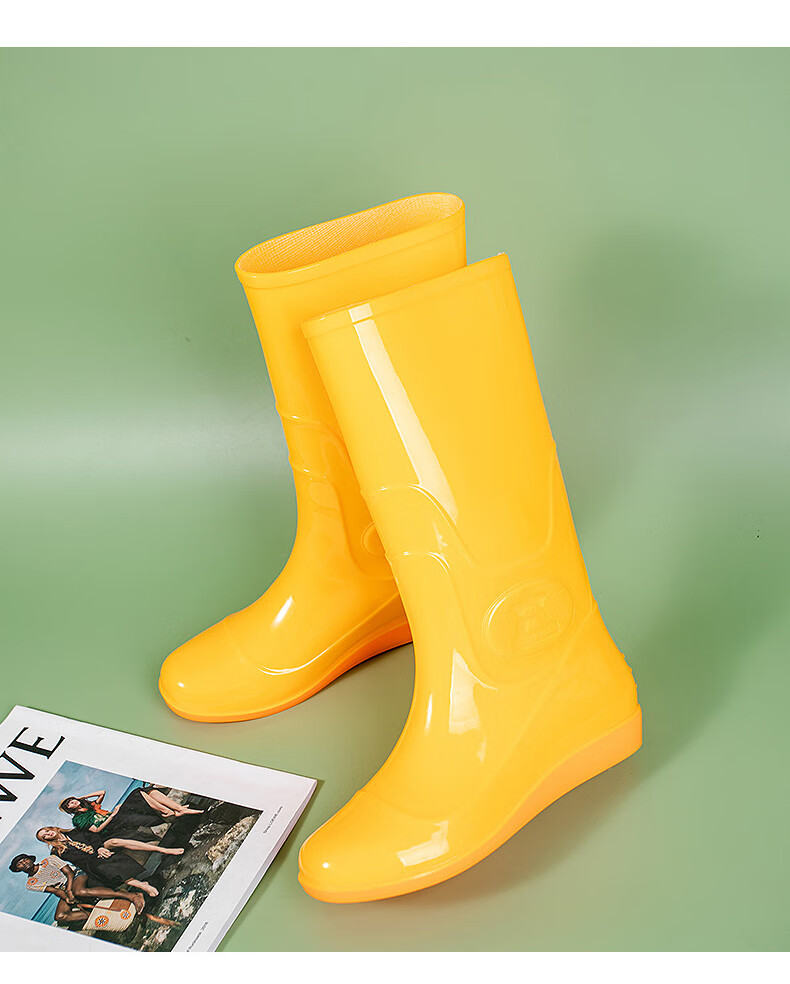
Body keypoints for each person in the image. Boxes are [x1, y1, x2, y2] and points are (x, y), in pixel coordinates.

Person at [35, 827, 174, 898]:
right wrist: (98, 854)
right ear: (46, 840)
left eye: (47, 831)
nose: (48, 834)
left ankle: (162, 849)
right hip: (89, 862)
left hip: (98, 848)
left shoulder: (74, 832)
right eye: (44, 836)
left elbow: (93, 836)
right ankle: (142, 885)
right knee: (102, 866)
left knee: (115, 841)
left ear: (52, 828)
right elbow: (79, 859)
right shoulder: (57, 852)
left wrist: (100, 848)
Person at [8, 852, 145, 923]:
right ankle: (96, 915)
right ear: (18, 869)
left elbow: (69, 872)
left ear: (31, 859)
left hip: (76, 875)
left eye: (25, 859)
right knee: (60, 916)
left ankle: (131, 896)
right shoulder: (31, 883)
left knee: (80, 891)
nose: (24, 863)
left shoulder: (49, 860)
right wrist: (68, 898)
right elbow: (54, 890)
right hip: (64, 889)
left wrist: (69, 892)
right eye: (20, 864)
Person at [60, 785, 202, 837]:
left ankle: (177, 809)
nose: (72, 801)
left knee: (143, 791)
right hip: (112, 825)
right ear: (69, 809)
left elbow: (102, 792)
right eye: (69, 803)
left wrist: (82, 797)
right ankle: (171, 811)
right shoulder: (78, 819)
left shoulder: (90, 806)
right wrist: (113, 814)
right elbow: (96, 830)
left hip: (117, 817)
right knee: (137, 793)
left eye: (71, 799)